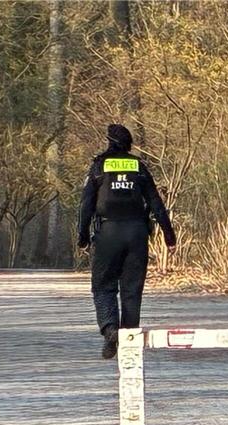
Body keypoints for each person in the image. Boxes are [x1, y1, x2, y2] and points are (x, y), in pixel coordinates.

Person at [77, 124, 177, 360]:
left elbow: (86, 205)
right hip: (136, 233)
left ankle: (111, 330)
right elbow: (156, 203)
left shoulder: (99, 167)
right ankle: (129, 341)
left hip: (107, 233)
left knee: (103, 285)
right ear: (129, 144)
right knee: (132, 290)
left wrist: (82, 236)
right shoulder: (139, 167)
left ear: (108, 141)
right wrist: (168, 235)